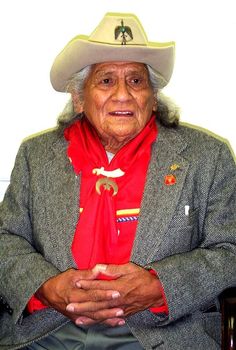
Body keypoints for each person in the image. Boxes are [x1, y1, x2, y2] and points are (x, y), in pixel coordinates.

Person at [0, 12, 235, 350]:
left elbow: (230, 248)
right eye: (106, 80)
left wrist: (159, 286)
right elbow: (5, 236)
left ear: (152, 99)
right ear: (80, 98)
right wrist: (45, 287)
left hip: (162, 332)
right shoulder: (36, 155)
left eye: (136, 81)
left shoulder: (207, 156)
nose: (123, 94)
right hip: (49, 330)